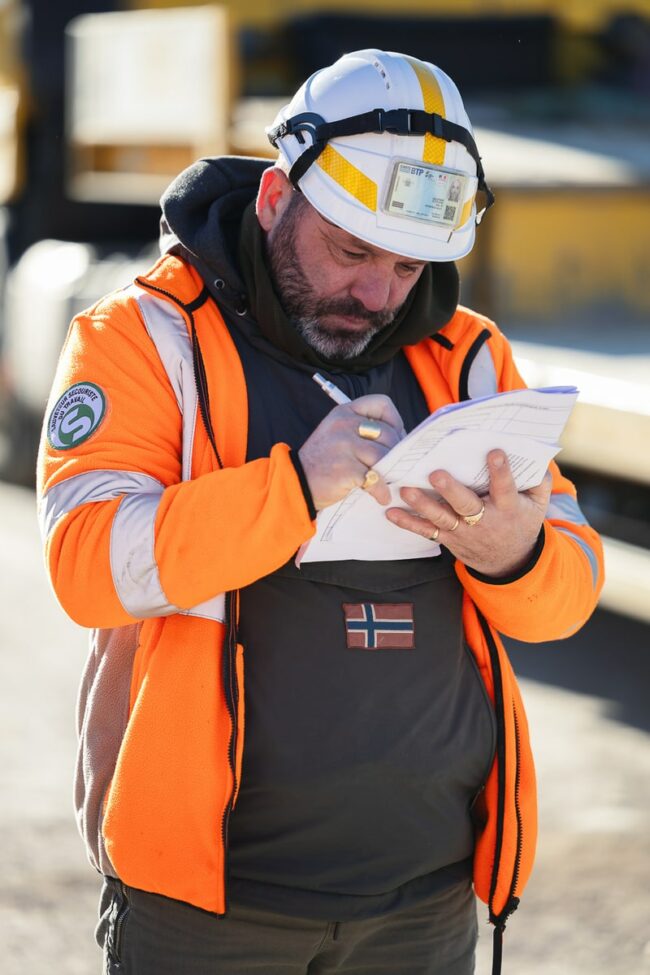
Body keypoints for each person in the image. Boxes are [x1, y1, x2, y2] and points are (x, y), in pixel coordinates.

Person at [37, 49, 603, 975]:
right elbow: (86, 565)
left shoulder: (467, 358)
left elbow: (568, 594)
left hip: (426, 900)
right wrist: (294, 489)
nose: (380, 295)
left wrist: (517, 554)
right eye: (351, 252)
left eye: (410, 264)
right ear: (273, 201)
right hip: (209, 911)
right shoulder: (142, 337)